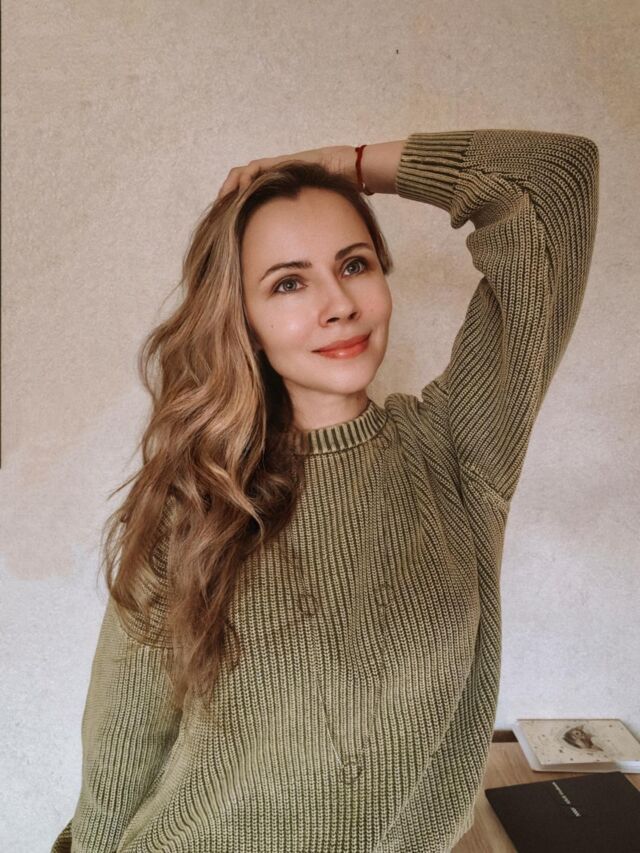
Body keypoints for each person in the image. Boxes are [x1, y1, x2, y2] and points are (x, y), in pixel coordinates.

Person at [51, 128, 599, 853]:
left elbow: (554, 180)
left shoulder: (457, 450)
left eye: (354, 264)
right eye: (289, 282)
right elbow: (123, 740)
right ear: (244, 320)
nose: (338, 303)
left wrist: (346, 167)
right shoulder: (198, 501)